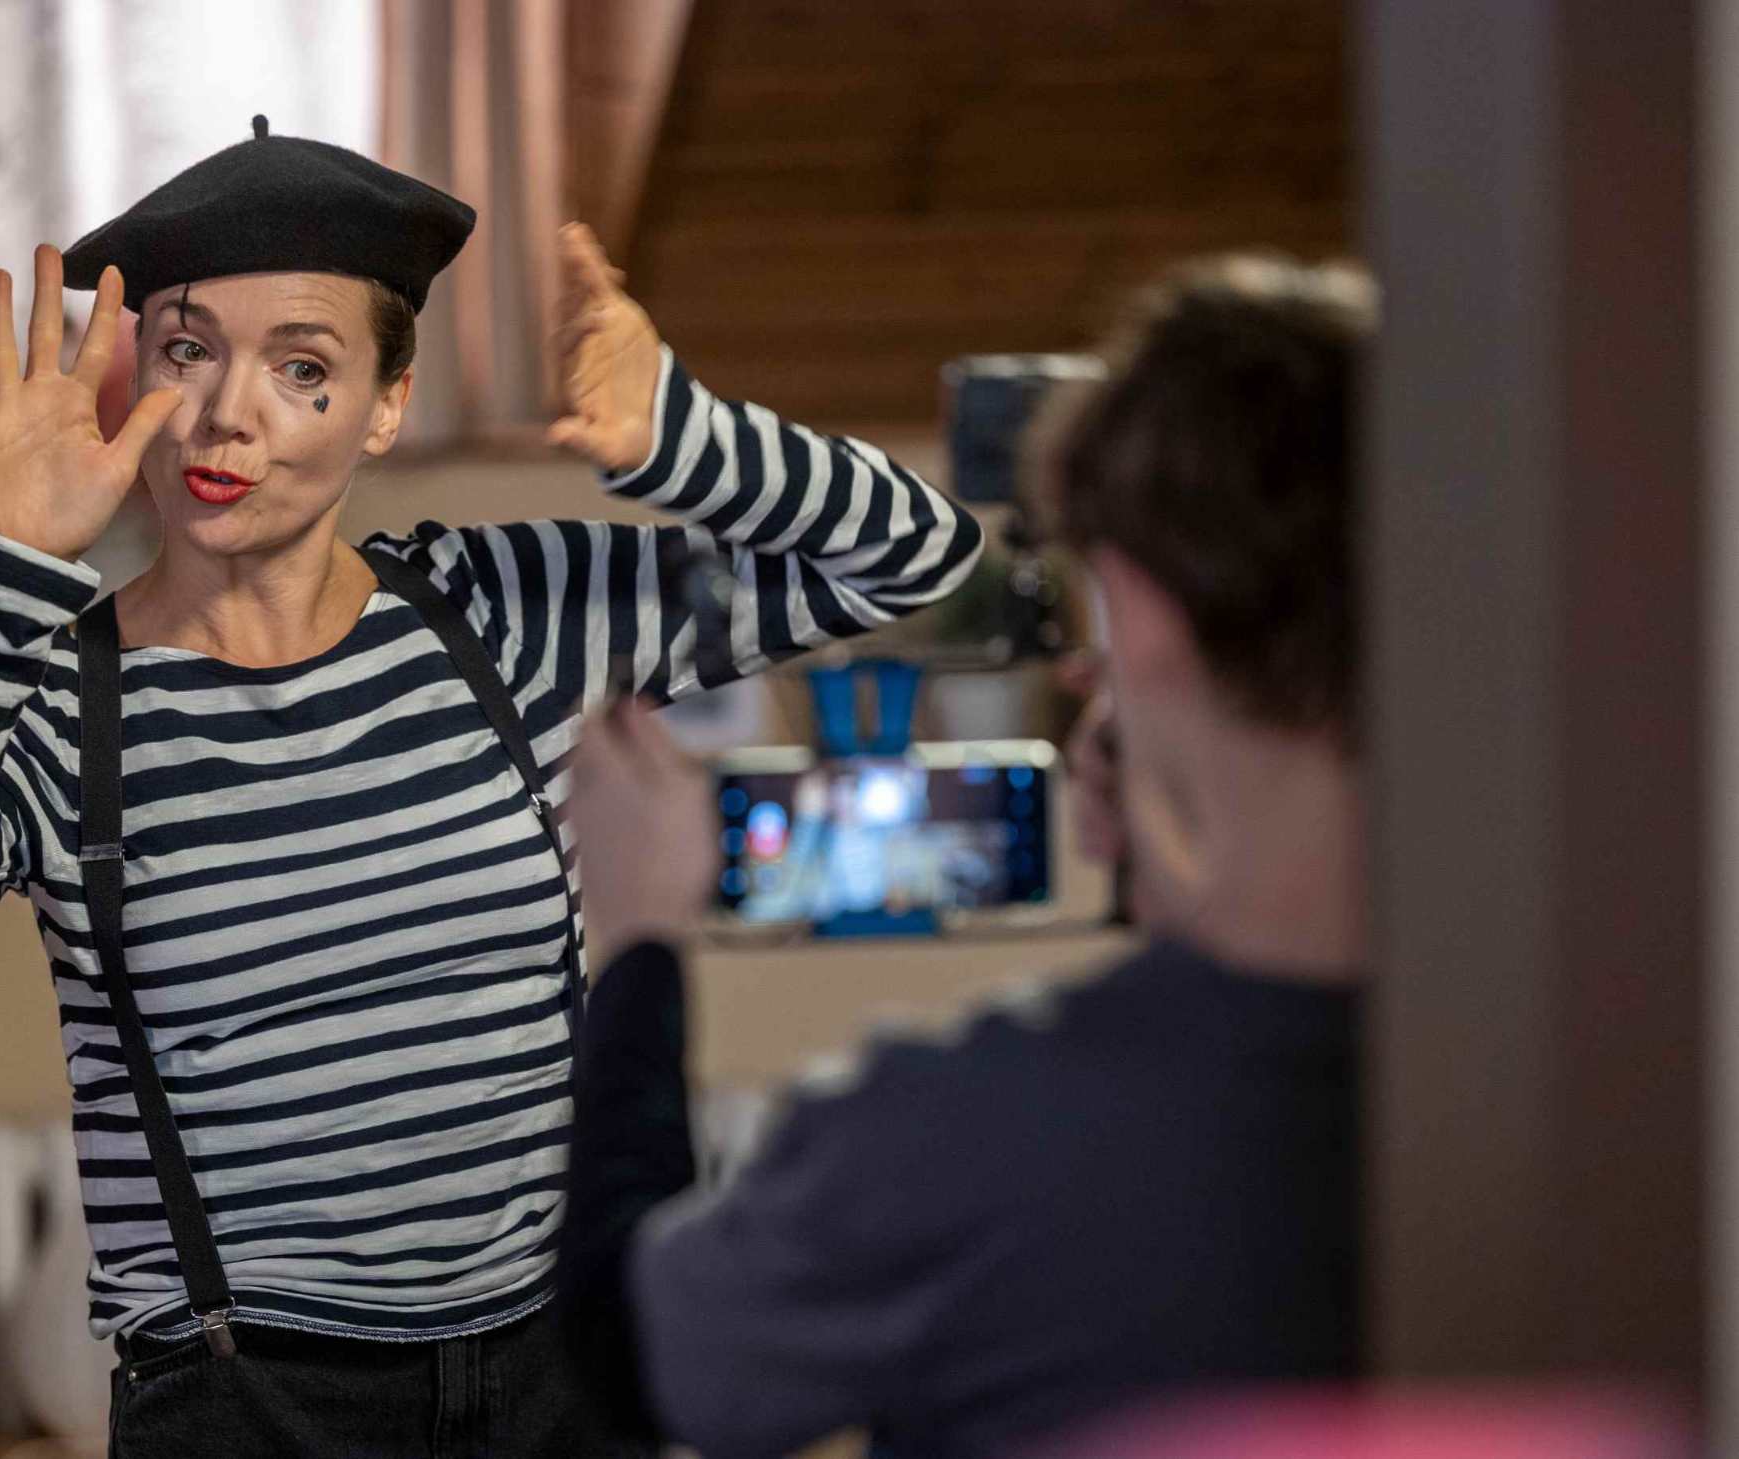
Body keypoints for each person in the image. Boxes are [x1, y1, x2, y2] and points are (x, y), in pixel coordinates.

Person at [0, 119, 982, 1455]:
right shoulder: (59, 697)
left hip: (562, 1370)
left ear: (386, 406)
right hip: (249, 1403)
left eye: (301, 366)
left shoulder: (504, 608)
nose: (227, 413)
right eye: (187, 350)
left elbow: (916, 555)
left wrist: (684, 436)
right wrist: (7, 577)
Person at [559, 253, 1373, 1458]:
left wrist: (637, 945)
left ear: (1139, 607)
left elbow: (630, 1359)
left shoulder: (949, 1135)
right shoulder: (1605, 1084)